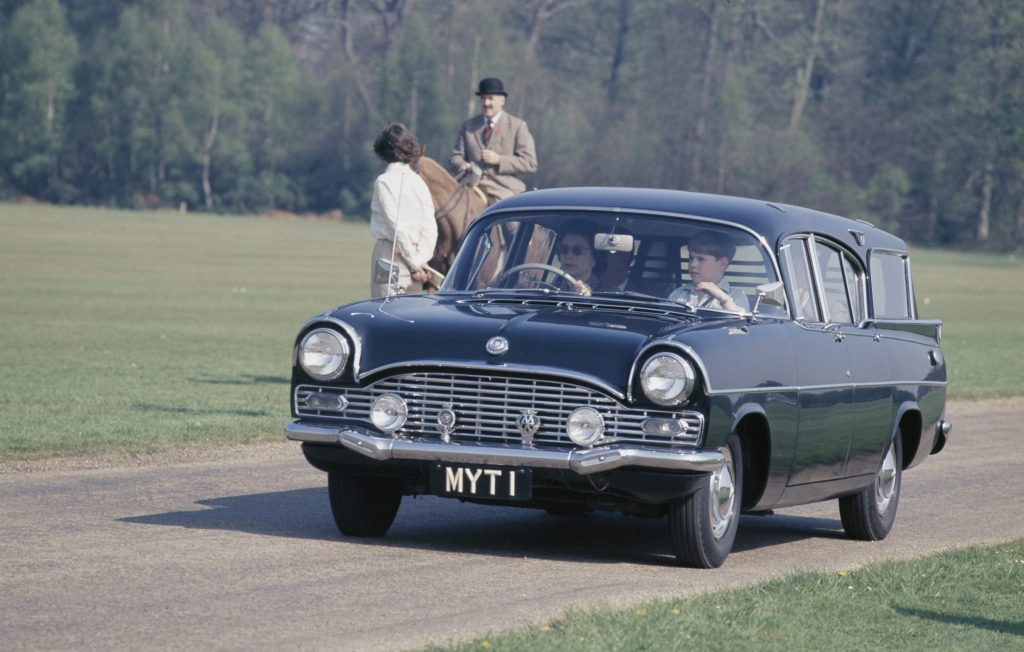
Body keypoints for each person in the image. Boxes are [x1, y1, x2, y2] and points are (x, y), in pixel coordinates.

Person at [369, 123, 438, 298]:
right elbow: (430, 226)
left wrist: (414, 263)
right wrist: (421, 260)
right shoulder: (419, 183)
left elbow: (396, 227)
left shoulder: (383, 182)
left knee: (382, 313)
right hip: (418, 260)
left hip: (388, 257)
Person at [450, 77, 538, 205]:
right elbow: (456, 156)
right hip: (470, 185)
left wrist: (499, 160)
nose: (486, 103)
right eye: (483, 98)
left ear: (502, 100)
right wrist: (463, 165)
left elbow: (530, 163)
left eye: (490, 98)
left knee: (512, 223)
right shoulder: (468, 126)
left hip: (503, 188)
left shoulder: (518, 126)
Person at [668, 230, 749, 311]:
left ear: (722, 264)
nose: (692, 264)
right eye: (691, 258)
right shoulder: (679, 293)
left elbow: (741, 321)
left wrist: (724, 300)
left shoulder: (736, 296)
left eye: (701, 259)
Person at [555, 220, 617, 296]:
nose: (568, 255)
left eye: (577, 251)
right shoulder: (550, 289)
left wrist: (588, 300)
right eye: (564, 249)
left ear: (594, 258)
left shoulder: (611, 294)